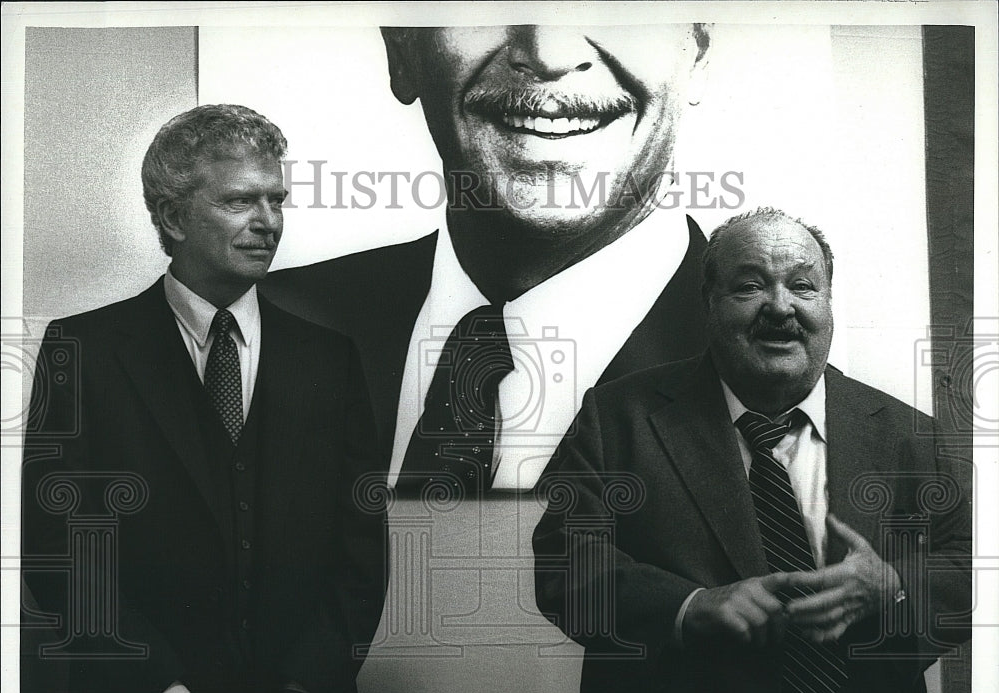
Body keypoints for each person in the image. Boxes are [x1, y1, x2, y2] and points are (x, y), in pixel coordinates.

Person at [532, 207, 972, 693]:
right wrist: (689, 607)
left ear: (829, 305)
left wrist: (895, 585)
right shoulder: (617, 416)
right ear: (708, 304)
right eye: (749, 286)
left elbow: (974, 566)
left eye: (803, 287)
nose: (780, 308)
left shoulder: (911, 436)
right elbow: (565, 568)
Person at [20, 104, 385, 693]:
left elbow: (360, 559)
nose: (269, 222)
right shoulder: (84, 350)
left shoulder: (330, 357)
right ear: (171, 216)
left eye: (277, 199)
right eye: (241, 201)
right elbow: (60, 550)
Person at [261, 24, 713, 491]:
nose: (549, 54)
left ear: (697, 51)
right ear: (401, 47)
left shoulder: (774, 373)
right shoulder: (261, 324)